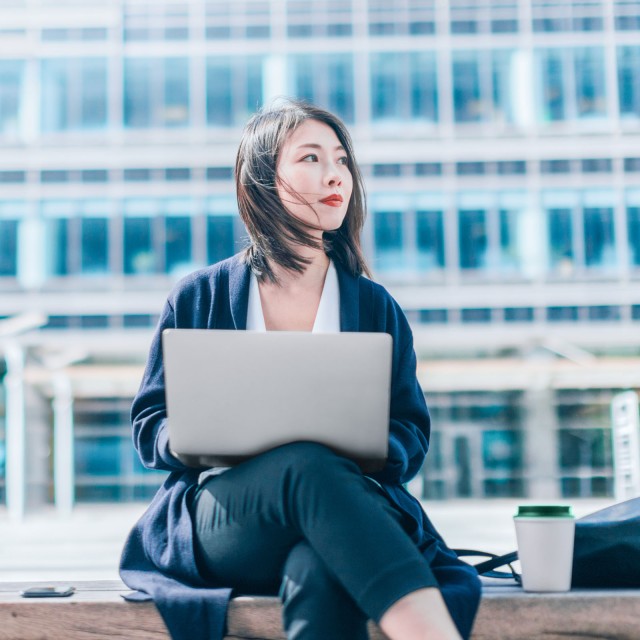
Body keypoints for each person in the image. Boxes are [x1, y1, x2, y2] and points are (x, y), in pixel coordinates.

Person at [120, 99, 481, 640]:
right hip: (229, 520)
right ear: (264, 179)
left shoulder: (375, 306)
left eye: (341, 161)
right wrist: (196, 435)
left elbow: (410, 429)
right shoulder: (200, 296)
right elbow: (150, 424)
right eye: (310, 159)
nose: (334, 174)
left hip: (344, 513)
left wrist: (372, 445)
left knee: (318, 566)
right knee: (304, 465)